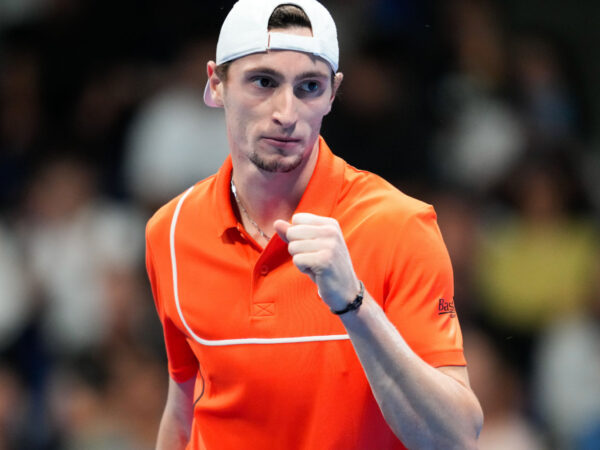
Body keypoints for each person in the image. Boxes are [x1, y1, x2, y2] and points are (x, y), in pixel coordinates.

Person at [145, 1, 483, 449]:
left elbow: (456, 439)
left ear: (332, 93)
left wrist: (356, 306)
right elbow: (183, 411)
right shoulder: (169, 232)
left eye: (309, 86)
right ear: (216, 84)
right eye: (263, 82)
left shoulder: (400, 225)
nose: (286, 112)